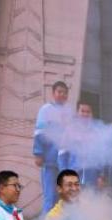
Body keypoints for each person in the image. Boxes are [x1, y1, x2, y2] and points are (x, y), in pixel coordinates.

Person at [33, 81, 69, 213]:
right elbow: (39, 132)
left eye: (65, 92)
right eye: (59, 92)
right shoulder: (46, 109)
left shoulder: (69, 112)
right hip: (49, 160)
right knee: (50, 196)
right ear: (53, 93)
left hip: (64, 162)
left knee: (63, 198)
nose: (62, 94)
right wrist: (38, 153)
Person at [57, 100, 104, 190]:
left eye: (88, 112)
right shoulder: (69, 131)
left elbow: (100, 157)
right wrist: (64, 174)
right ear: (77, 113)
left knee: (91, 199)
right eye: (82, 111)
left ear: (92, 114)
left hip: (92, 178)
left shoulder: (96, 132)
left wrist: (100, 176)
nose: (85, 114)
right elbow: (62, 155)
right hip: (72, 177)